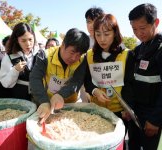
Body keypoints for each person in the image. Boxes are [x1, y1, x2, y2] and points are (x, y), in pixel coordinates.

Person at [50, 14, 134, 149]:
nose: (102, 39)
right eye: (98, 34)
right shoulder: (89, 55)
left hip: (119, 111)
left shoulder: (127, 55)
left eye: (107, 34)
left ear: (115, 33)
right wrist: (94, 91)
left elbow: (130, 84)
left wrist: (127, 107)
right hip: (96, 111)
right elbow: (87, 80)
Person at [30, 28, 89, 123]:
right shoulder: (45, 55)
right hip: (48, 103)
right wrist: (43, 101)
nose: (74, 58)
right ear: (63, 45)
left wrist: (61, 95)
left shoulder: (82, 60)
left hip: (71, 105)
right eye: (72, 52)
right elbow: (35, 78)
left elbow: (77, 81)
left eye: (79, 54)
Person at [127, 3, 162, 150]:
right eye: (134, 29)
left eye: (142, 28)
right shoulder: (138, 50)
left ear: (156, 22)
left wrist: (155, 120)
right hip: (136, 115)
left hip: (152, 116)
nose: (139, 33)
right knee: (133, 145)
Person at [0, 22, 37, 100]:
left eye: (30, 39)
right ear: (17, 40)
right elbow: (5, 83)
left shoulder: (40, 54)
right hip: (20, 97)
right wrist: (15, 70)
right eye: (23, 41)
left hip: (39, 97)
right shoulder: (9, 57)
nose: (28, 44)